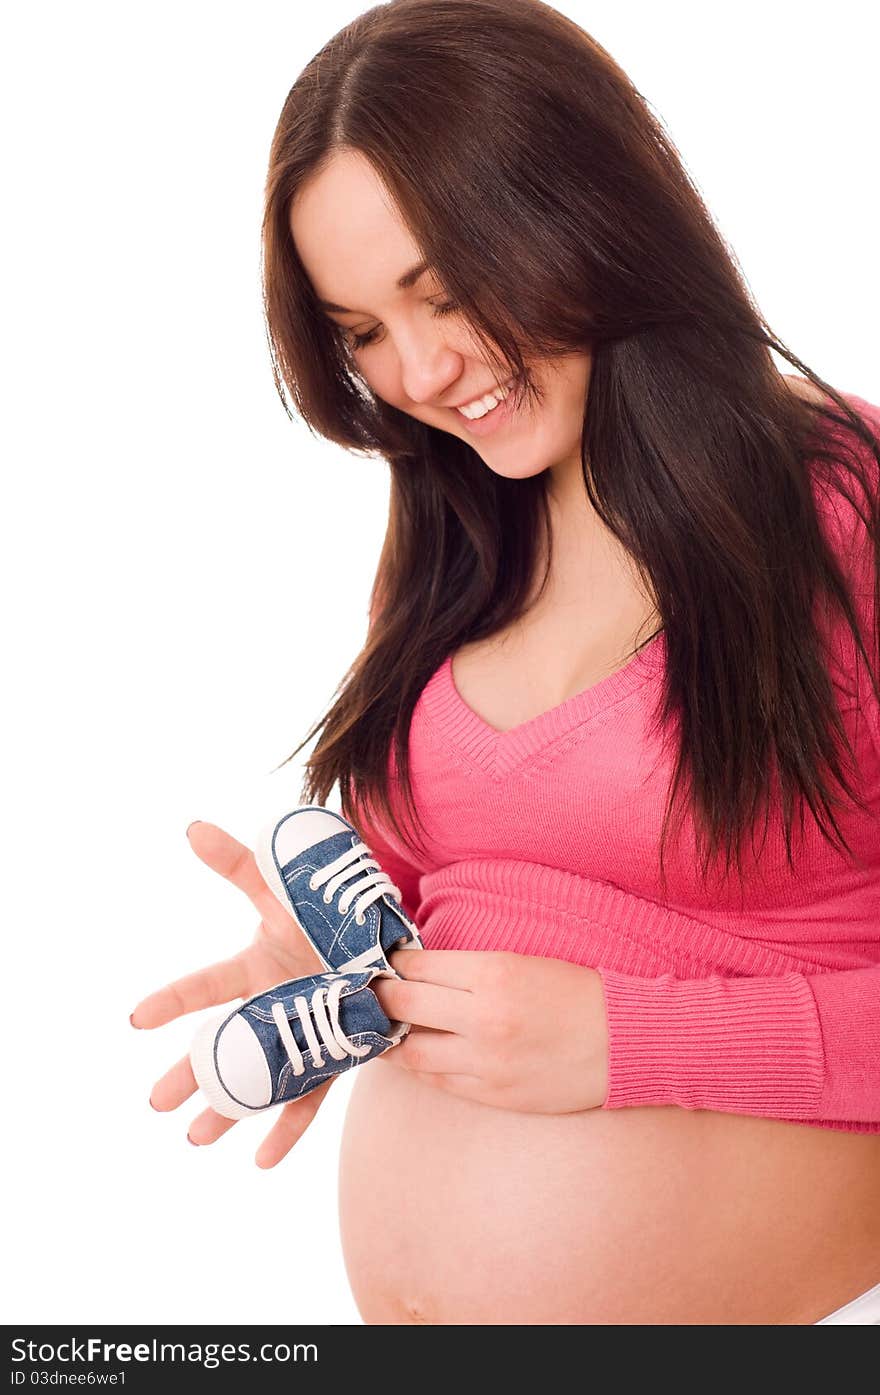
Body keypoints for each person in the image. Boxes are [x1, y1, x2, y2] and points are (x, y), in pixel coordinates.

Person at [130, 0, 880, 1324]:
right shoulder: (464, 529)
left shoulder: (844, 508)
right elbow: (464, 896)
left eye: (445, 289)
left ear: (590, 209)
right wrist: (328, 969)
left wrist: (635, 1044)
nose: (417, 370)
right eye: (358, 326)